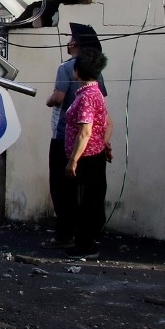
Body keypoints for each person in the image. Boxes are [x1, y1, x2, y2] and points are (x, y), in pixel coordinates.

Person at [43, 23, 109, 248]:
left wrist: (49, 99)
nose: (68, 41)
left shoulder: (67, 68)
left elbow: (59, 98)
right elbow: (105, 115)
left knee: (62, 188)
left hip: (66, 138)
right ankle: (83, 236)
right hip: (93, 144)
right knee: (88, 192)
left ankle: (66, 235)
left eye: (71, 38)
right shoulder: (96, 75)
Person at [63, 48, 113, 259]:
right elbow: (107, 123)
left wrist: (73, 161)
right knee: (91, 200)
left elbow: (85, 132)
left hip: (86, 158)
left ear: (77, 72)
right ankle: (86, 242)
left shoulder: (86, 97)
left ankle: (85, 245)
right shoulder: (96, 93)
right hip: (96, 153)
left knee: (86, 202)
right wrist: (105, 144)